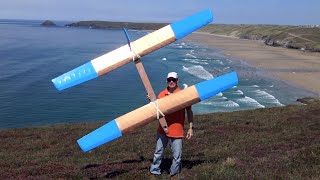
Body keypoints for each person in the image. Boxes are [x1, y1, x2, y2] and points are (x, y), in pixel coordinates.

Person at [149, 72, 194, 176]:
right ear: (166, 81)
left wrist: (190, 128)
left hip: (177, 130)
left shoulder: (184, 95)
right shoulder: (161, 95)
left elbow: (189, 111)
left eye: (173, 80)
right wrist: (151, 100)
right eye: (169, 80)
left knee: (177, 156)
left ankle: (173, 174)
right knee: (158, 153)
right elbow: (155, 109)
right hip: (162, 130)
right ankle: (154, 171)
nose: (171, 82)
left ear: (177, 81)